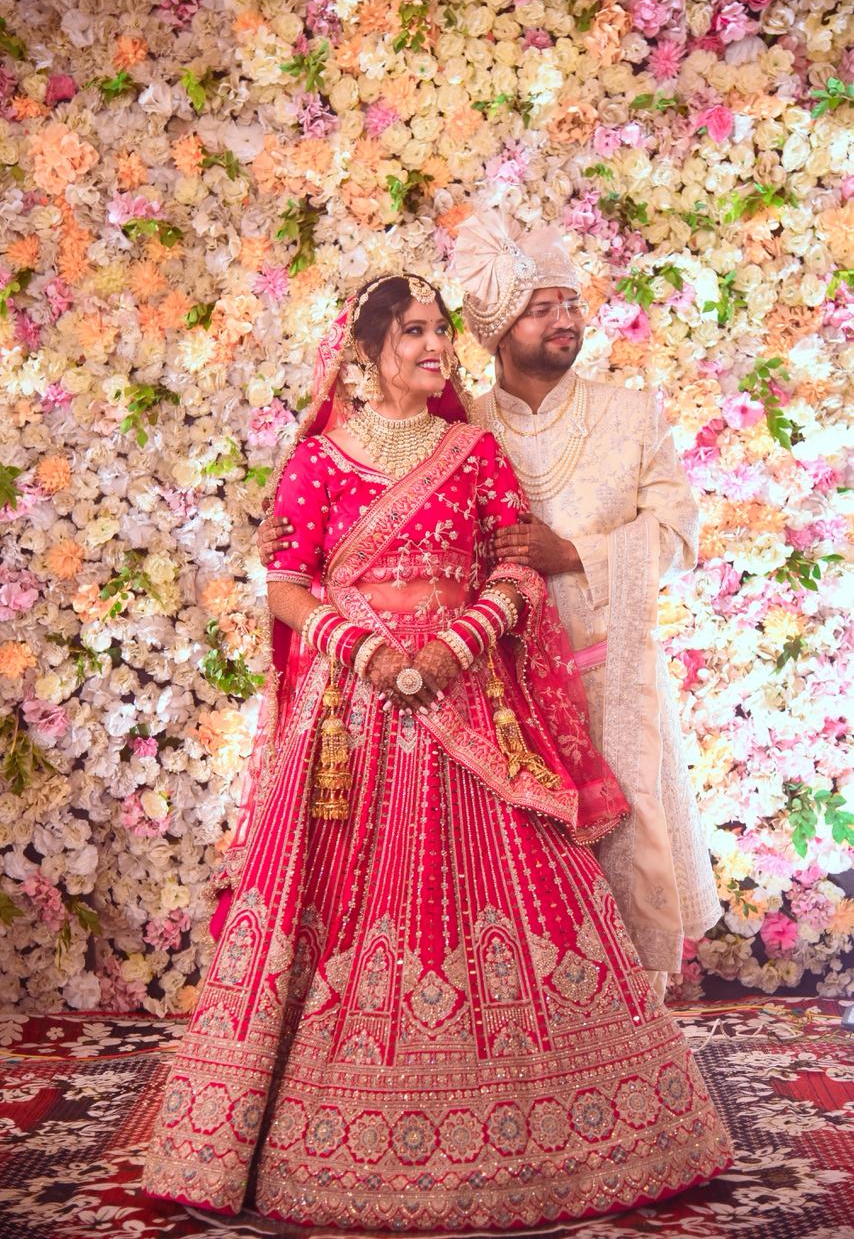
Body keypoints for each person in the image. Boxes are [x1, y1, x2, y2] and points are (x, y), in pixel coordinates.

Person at [143, 275, 732, 1231]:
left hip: (470, 706)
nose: (433, 348)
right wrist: (363, 650)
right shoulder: (319, 461)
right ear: (365, 351)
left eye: (440, 332)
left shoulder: (472, 451)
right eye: (413, 332)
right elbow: (286, 583)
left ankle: (555, 1136)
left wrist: (461, 642)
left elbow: (514, 568)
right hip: (354, 718)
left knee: (525, 882)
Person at [259, 215, 722, 999]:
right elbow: (346, 528)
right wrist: (280, 541)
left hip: (598, 666)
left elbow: (679, 539)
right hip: (481, 680)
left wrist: (570, 554)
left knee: (615, 846)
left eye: (570, 304)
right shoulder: (460, 422)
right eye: (542, 308)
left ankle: (623, 1015)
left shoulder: (622, 415)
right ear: (499, 328)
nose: (565, 319)